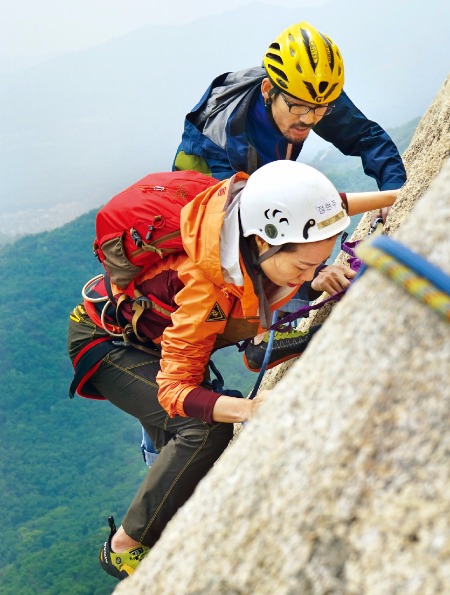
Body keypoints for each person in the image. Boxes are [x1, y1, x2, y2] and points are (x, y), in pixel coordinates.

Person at [68, 160, 352, 580]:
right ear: (263, 244)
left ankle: (172, 526)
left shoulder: (258, 240)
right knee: (203, 428)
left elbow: (321, 218)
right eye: (301, 268)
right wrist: (250, 410)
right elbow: (174, 392)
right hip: (108, 344)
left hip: (151, 338)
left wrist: (313, 281)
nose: (309, 274)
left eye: (317, 263)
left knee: (198, 442)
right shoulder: (207, 283)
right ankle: (123, 547)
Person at [173, 20, 406, 370]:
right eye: (299, 108)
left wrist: (394, 189)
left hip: (264, 171)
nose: (309, 120)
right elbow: (240, 234)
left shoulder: (307, 94)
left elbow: (364, 136)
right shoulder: (225, 139)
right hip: (207, 192)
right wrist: (312, 278)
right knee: (248, 243)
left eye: (320, 109)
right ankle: (259, 340)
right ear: (269, 89)